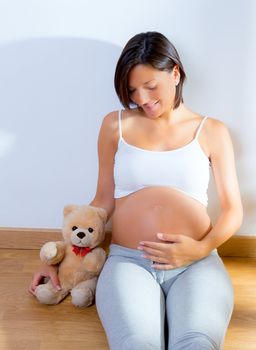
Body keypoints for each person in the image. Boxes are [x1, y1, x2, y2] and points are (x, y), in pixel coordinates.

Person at [29, 31, 243, 349]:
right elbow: (101, 202)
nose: (142, 98)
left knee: (197, 343)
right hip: (129, 262)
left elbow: (233, 211)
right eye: (132, 90)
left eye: (150, 86)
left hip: (196, 262)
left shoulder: (211, 130)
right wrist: (62, 256)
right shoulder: (114, 126)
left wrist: (199, 249)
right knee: (136, 343)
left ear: (175, 72)